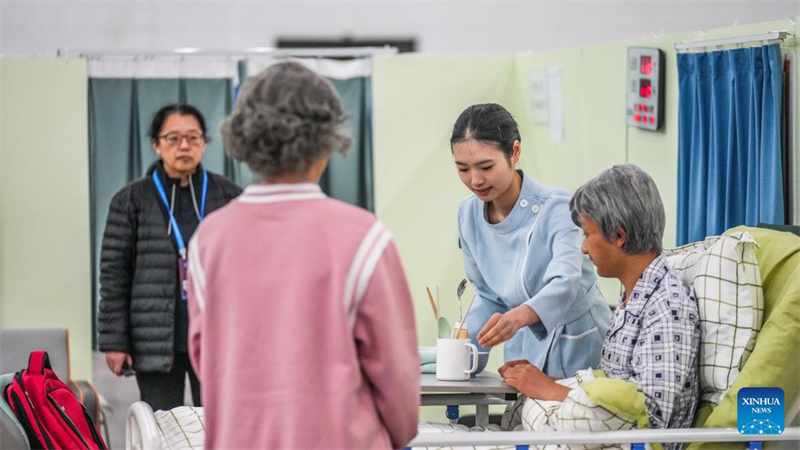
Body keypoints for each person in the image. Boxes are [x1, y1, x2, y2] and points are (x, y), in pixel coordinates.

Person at [186, 62, 420, 449]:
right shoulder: (363, 238)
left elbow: (204, 357)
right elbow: (396, 376)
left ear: (244, 140)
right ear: (327, 140)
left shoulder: (208, 239)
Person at [501, 165, 701, 447]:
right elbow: (611, 387)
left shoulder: (667, 307)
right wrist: (544, 382)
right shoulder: (634, 298)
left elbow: (649, 415)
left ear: (619, 236)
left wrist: (550, 390)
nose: (583, 248)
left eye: (587, 234)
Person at [97, 104, 242, 411]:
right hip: (156, 340)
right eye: (174, 138)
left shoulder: (229, 196)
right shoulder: (130, 200)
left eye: (193, 137)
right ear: (156, 144)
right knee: (164, 428)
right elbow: (114, 275)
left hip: (219, 338)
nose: (184, 146)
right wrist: (115, 342)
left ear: (204, 143)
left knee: (225, 423)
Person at [453, 103, 611, 378]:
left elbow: (566, 280)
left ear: (514, 152)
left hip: (577, 343)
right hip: (523, 345)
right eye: (463, 169)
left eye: (485, 166)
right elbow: (489, 296)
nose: (475, 180)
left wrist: (518, 317)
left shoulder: (557, 207)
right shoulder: (468, 215)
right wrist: (463, 352)